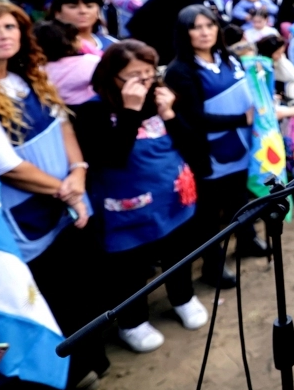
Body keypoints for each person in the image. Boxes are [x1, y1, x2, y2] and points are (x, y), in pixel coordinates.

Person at [0, 3, 109, 390]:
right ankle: (63, 376)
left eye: (11, 26)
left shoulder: (24, 75)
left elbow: (62, 125)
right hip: (22, 215)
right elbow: (7, 166)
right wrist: (67, 192)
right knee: (49, 296)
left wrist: (78, 172)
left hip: (64, 196)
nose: (4, 35)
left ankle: (93, 356)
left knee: (80, 286)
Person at [75, 40, 208, 353]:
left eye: (150, 74)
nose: (145, 83)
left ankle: (183, 297)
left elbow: (194, 147)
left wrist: (171, 113)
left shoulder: (160, 101)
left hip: (174, 199)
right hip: (126, 208)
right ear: (112, 77)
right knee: (130, 269)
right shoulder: (92, 112)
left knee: (179, 254)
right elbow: (111, 157)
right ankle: (131, 321)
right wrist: (130, 111)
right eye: (135, 76)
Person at [162, 5, 263, 289]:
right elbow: (194, 119)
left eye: (210, 25)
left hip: (242, 146)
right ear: (185, 33)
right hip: (208, 153)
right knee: (208, 216)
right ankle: (213, 266)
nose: (205, 32)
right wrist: (242, 118)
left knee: (240, 199)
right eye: (196, 27)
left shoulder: (229, 57)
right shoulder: (179, 71)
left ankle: (247, 239)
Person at [49, 0, 116, 55]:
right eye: (73, 7)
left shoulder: (113, 46)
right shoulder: (44, 48)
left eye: (89, 6)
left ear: (98, 12)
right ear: (57, 13)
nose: (83, 11)